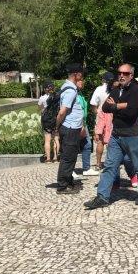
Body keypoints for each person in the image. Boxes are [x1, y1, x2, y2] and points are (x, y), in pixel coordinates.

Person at [84, 63, 138, 209]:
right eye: (119, 73)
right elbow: (105, 107)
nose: (121, 75)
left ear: (131, 76)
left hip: (132, 134)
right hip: (116, 135)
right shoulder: (115, 90)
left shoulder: (136, 91)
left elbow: (131, 112)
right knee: (109, 166)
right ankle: (102, 197)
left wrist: (116, 106)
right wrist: (121, 106)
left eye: (125, 73)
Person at [55, 64, 85, 195]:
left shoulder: (67, 87)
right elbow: (62, 112)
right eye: (81, 74)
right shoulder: (70, 91)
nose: (82, 77)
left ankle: (68, 181)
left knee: (70, 156)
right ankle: (63, 186)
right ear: (76, 74)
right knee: (68, 157)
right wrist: (56, 126)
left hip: (72, 127)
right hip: (70, 128)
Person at [90, 72, 115, 171]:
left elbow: (93, 103)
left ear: (103, 80)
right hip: (113, 115)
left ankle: (98, 163)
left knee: (100, 141)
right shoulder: (115, 89)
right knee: (111, 141)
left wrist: (97, 113)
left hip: (101, 114)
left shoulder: (99, 89)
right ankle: (111, 162)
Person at [76, 77, 99, 177]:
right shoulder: (73, 93)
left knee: (87, 145)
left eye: (82, 80)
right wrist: (80, 125)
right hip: (76, 124)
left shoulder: (80, 93)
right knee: (73, 147)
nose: (82, 82)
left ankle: (86, 168)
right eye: (79, 80)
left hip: (83, 123)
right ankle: (70, 170)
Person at [38, 83, 59, 163]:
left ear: (44, 89)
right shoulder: (57, 97)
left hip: (46, 120)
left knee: (47, 140)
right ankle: (56, 158)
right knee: (56, 139)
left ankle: (48, 159)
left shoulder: (42, 98)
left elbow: (40, 108)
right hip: (55, 119)